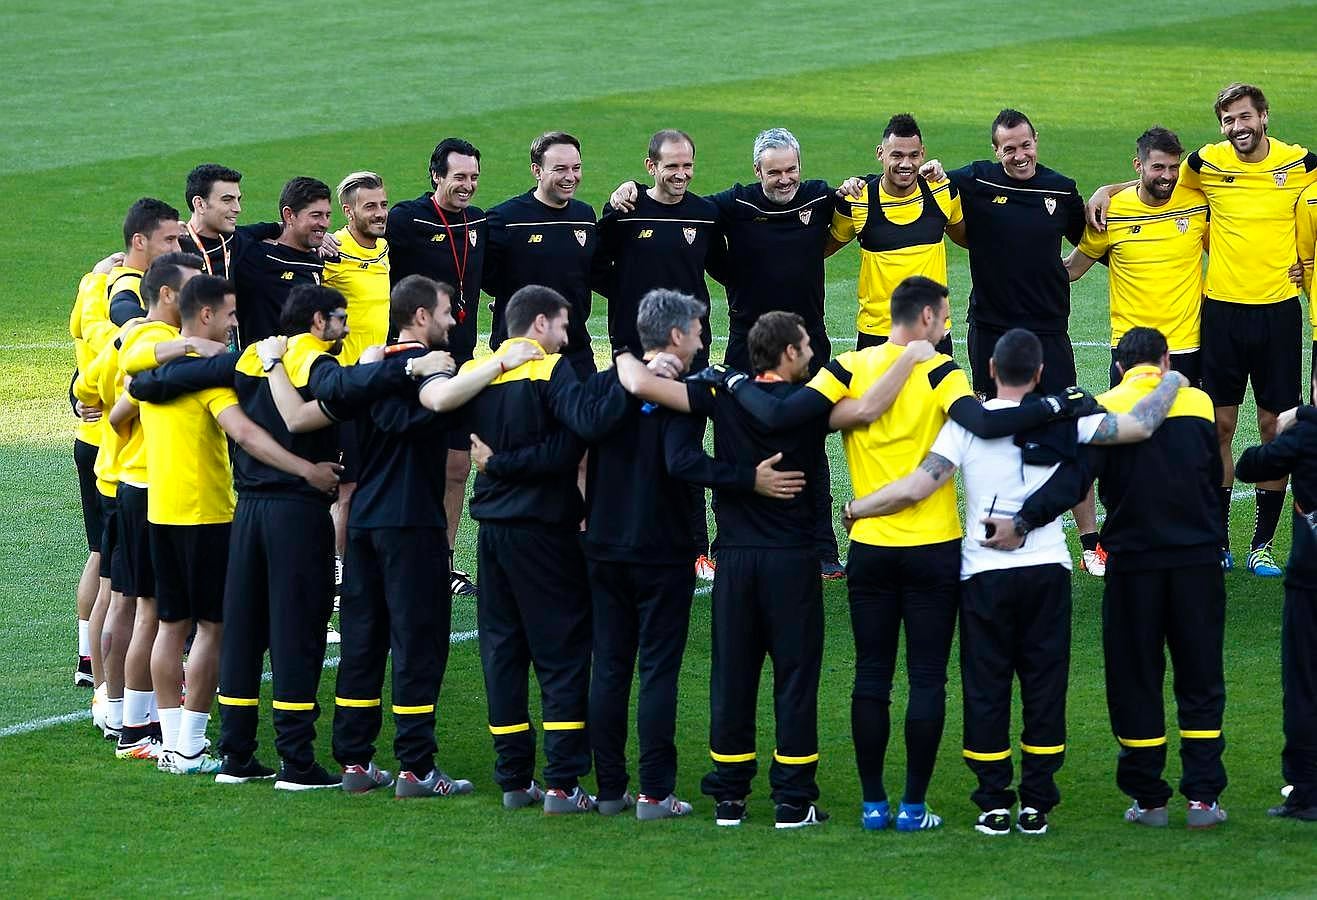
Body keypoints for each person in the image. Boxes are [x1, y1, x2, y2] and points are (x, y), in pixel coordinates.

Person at [714, 276, 1096, 831]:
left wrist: (727, 384)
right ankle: (914, 805)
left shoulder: (845, 367)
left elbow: (788, 411)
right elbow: (984, 422)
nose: (946, 328)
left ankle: (873, 803)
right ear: (924, 319)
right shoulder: (941, 370)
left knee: (871, 676)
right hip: (933, 547)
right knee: (925, 678)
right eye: (943, 319)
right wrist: (1059, 405)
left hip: (870, 546)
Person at [847, 328, 1185, 836]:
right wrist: (1173, 380)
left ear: (989, 371)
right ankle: (1036, 804)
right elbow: (1140, 426)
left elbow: (920, 486)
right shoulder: (1069, 418)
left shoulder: (966, 426)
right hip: (1047, 570)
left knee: (986, 688)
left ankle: (993, 804)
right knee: (1044, 687)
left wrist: (858, 508)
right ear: (1041, 374)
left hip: (983, 575)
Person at [992, 327, 1229, 829]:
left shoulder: (1103, 407)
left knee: (1135, 675)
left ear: (1119, 366)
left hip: (1134, 564)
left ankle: (1149, 800)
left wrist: (1023, 521)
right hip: (1197, 562)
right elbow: (1215, 476)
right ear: (1165, 361)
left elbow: (1074, 483)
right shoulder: (1201, 403)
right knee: (1200, 673)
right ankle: (1204, 798)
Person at [584, 292, 804, 821]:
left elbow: (583, 438)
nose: (704, 340)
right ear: (678, 335)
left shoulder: (606, 382)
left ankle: (611, 790)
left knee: (610, 667)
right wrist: (745, 478)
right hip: (661, 548)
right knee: (657, 669)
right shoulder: (684, 391)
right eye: (699, 330)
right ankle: (655, 794)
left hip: (605, 543)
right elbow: (681, 461)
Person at [609, 127, 864, 578]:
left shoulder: (818, 199)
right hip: (749, 348)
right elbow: (689, 224)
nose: (784, 179)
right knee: (735, 444)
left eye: (791, 170)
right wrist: (627, 192)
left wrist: (852, 187)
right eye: (774, 172)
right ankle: (727, 543)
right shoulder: (730, 206)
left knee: (810, 445)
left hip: (808, 348)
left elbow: (862, 202)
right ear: (756, 171)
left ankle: (822, 547)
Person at [326, 275, 544, 798]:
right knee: (418, 642)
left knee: (363, 640)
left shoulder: (368, 367)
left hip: (363, 523)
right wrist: (500, 364)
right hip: (411, 524)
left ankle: (355, 760)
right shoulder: (432, 369)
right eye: (447, 312)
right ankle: (416, 767)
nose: (454, 321)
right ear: (420, 316)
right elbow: (442, 402)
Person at [1088, 83, 1317, 576]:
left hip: (1279, 313)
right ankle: (1218, 540)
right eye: (1229, 120)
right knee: (1220, 426)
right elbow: (1155, 181)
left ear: (1264, 117)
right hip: (1221, 315)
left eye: (1245, 117)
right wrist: (1104, 191)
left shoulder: (1300, 162)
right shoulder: (1205, 163)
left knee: (1276, 427)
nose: (1238, 127)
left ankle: (1261, 544)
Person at [128, 275, 339, 776]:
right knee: (237, 629)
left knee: (179, 625)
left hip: (168, 509)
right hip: (223, 513)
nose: (235, 323)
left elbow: (133, 388)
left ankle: (189, 744)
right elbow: (246, 433)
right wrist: (309, 469)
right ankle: (235, 752)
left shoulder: (183, 366)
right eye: (229, 315)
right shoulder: (279, 369)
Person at [464, 284, 625, 815]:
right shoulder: (551, 371)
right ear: (538, 325)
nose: (568, 333)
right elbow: (573, 442)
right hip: (543, 534)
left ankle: (513, 777)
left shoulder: (481, 371)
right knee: (561, 653)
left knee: (502, 652)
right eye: (562, 324)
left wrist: (495, 466)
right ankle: (560, 781)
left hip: (492, 534)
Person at [928, 109, 1101, 574]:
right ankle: (993, 526)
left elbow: (1093, 236)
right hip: (991, 329)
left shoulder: (1060, 189)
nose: (1019, 155)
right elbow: (923, 182)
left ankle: (1091, 542)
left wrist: (1071, 268)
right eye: (1009, 148)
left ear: (1036, 140)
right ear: (995, 150)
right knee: (995, 433)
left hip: (1048, 330)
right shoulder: (977, 181)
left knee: (1067, 425)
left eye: (1025, 145)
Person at [597, 129, 727, 579]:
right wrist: (628, 305)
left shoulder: (706, 214)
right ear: (650, 166)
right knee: (630, 448)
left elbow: (726, 269)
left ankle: (697, 550)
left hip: (690, 355)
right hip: (634, 353)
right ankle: (631, 540)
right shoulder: (623, 213)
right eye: (671, 166)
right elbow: (595, 267)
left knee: (685, 449)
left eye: (687, 165)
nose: (681, 174)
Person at [387, 138, 487, 597]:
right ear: (436, 176)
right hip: (413, 364)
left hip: (461, 361)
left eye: (472, 177)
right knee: (410, 466)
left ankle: (444, 566)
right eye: (458, 177)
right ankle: (405, 561)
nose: (467, 185)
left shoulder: (482, 222)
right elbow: (361, 237)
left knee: (457, 466)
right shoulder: (406, 220)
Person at [1067, 127, 1209, 387]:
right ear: (1138, 165)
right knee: (1129, 427)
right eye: (1158, 167)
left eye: (1173, 167)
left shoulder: (1196, 202)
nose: (1167, 176)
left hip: (1186, 345)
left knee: (1184, 425)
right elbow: (1072, 270)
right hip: (1130, 346)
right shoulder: (1111, 212)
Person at [1236, 405, 1317, 821]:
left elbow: (1249, 465)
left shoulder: (1305, 436)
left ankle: (1306, 792)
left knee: (1303, 684)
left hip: (1309, 583)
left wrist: (1296, 417)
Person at [826, 113, 965, 353]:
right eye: (897, 155)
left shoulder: (942, 190)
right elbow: (822, 248)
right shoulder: (858, 199)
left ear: (923, 153)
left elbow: (968, 239)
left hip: (932, 332)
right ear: (880, 153)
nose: (906, 164)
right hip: (877, 335)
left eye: (913, 155)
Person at [320, 171, 393, 624]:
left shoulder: (386, 247)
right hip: (345, 389)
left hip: (377, 388)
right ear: (349, 212)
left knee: (367, 486)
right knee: (344, 492)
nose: (380, 213)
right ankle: (334, 585)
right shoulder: (333, 251)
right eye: (370, 207)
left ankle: (358, 576)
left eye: (383, 204)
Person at [485, 132, 602, 382]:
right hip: (521, 353)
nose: (570, 177)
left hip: (575, 349)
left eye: (576, 168)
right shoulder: (505, 219)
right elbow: (486, 278)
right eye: (560, 169)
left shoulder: (585, 215)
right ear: (537, 171)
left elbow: (594, 273)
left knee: (586, 420)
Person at [231, 176, 331, 347]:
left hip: (302, 365)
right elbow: (231, 236)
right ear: (289, 215)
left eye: (327, 215)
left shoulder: (316, 259)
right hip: (262, 366)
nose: (325, 223)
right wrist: (275, 227)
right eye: (316, 215)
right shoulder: (258, 257)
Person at [177, 163, 282, 280]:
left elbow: (274, 228)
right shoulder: (177, 248)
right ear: (200, 204)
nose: (238, 209)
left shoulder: (235, 239)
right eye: (227, 200)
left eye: (238, 200)